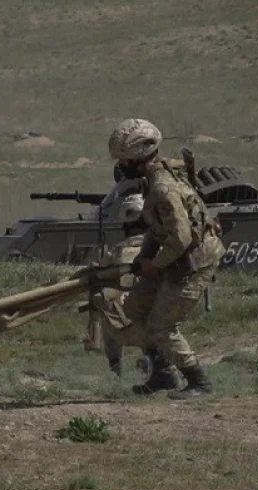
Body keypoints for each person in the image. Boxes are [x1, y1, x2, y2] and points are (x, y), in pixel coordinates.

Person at [95, 117, 224, 399]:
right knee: (134, 309)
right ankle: (163, 374)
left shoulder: (162, 188)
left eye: (124, 159)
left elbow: (181, 239)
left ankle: (199, 381)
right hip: (174, 255)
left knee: (162, 326)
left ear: (137, 158)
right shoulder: (154, 177)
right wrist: (145, 258)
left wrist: (153, 265)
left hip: (192, 260)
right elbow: (158, 228)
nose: (120, 165)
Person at [82, 192, 168, 382]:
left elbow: (99, 269)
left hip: (121, 313)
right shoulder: (160, 249)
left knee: (107, 313)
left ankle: (116, 371)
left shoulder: (118, 250)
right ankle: (153, 364)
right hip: (153, 311)